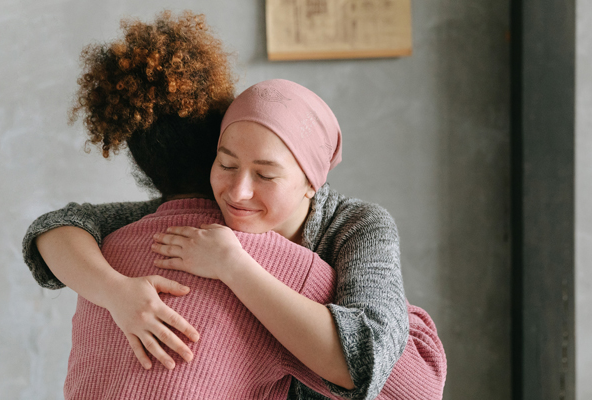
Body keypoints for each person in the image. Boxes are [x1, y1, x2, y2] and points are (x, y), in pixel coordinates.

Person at [24, 11, 445, 400]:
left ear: (310, 184)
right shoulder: (202, 213)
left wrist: (235, 267)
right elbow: (58, 226)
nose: (238, 192)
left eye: (265, 175)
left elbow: (380, 363)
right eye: (225, 164)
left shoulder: (356, 226)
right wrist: (118, 293)